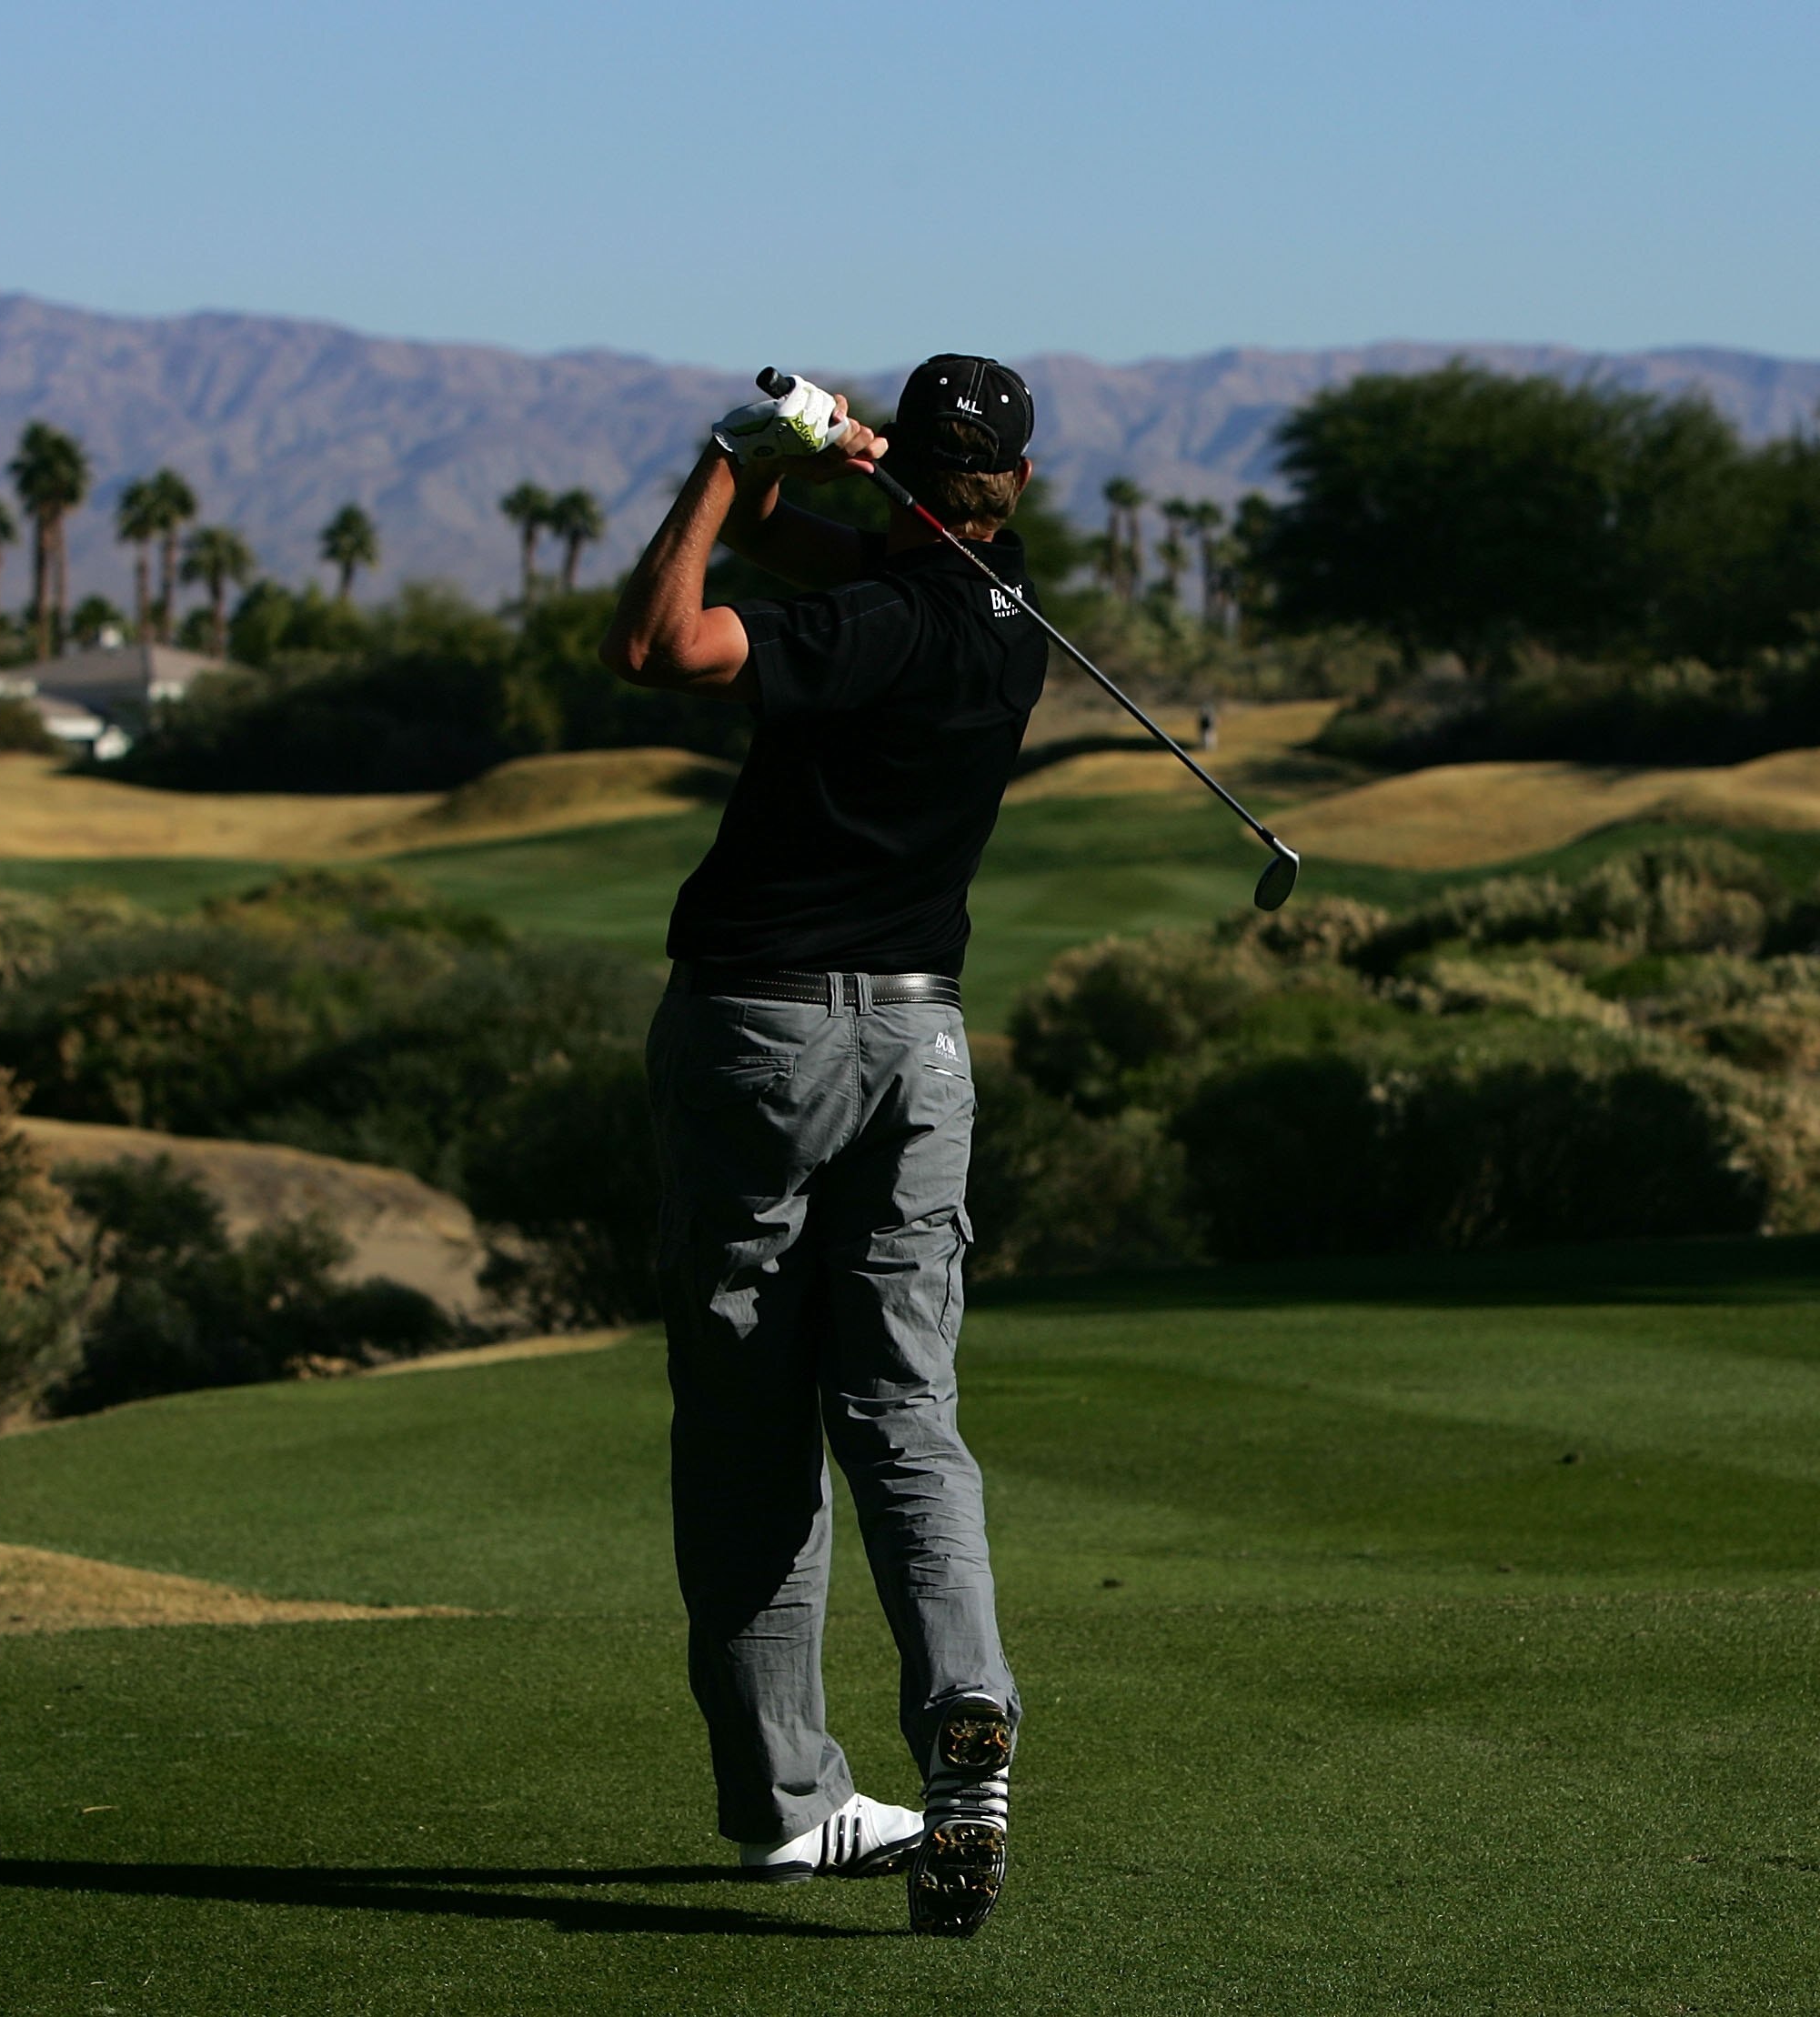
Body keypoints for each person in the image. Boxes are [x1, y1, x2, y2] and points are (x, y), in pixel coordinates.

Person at [597, 356, 1046, 1940]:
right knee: (904, 1409)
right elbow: (848, 553)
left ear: (912, 472)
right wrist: (843, 463)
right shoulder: (1005, 618)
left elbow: (660, 640)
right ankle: (965, 1713)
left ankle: (791, 1800)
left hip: (762, 1037)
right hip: (924, 1049)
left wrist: (725, 458)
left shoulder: (873, 625)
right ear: (1021, 489)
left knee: (742, 1422)